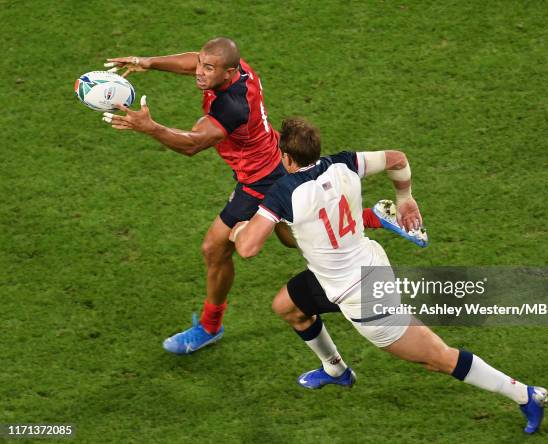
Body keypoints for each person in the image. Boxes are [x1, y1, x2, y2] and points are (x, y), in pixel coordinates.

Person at [229, 117, 548, 434]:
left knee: (436, 357)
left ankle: (524, 394)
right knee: (288, 307)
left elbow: (247, 249)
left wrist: (240, 230)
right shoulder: (343, 163)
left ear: (286, 157)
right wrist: (405, 199)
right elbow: (397, 159)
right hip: (348, 266)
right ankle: (336, 369)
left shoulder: (284, 192)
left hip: (361, 294)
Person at [102, 37, 403, 354]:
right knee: (291, 236)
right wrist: (149, 61)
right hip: (271, 157)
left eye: (208, 68)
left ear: (229, 73)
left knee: (214, 248)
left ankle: (209, 326)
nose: (199, 72)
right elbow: (198, 60)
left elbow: (191, 144)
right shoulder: (239, 69)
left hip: (258, 180)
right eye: (201, 64)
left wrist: (149, 127)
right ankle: (372, 217)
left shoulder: (230, 107)